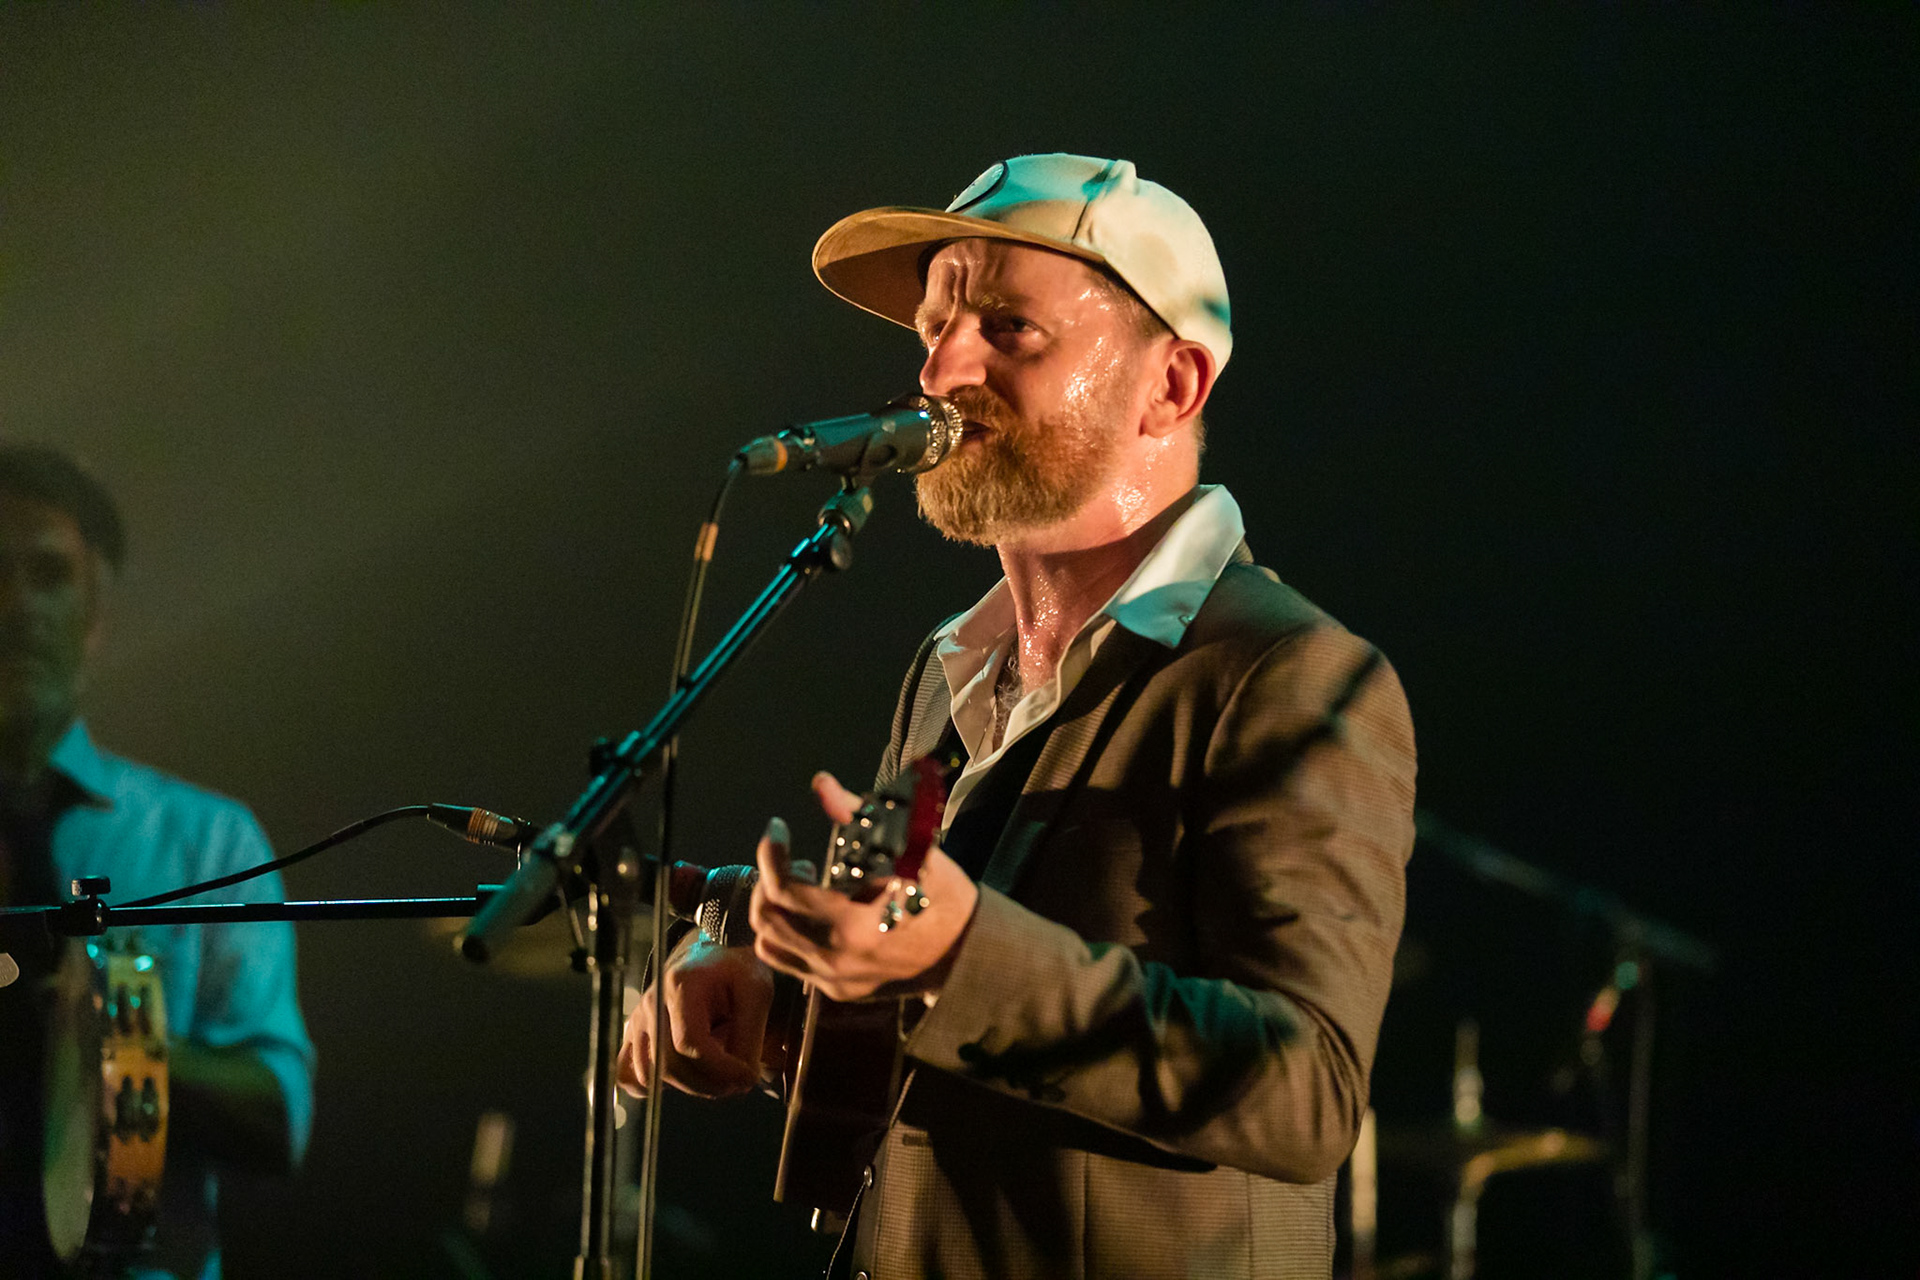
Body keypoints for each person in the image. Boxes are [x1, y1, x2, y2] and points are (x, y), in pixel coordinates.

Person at [619, 154, 1417, 1279]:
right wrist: (782, 997)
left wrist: (955, 948)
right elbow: (937, 1034)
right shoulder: (947, 670)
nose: (940, 369)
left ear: (1173, 385)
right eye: (936, 328)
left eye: (1008, 329)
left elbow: (1306, 1090)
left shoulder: (1289, 670)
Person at [0, 445, 314, 1280]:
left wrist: (92, 1039)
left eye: (49, 575)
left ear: (97, 615)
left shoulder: (207, 841)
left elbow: (277, 1120)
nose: (16, 605)